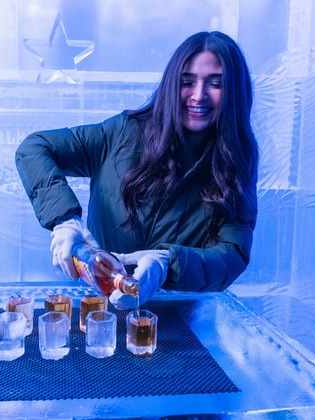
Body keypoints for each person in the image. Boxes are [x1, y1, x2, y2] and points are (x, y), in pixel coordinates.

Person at [15, 31, 259, 309]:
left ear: (235, 92)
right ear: (171, 84)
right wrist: (65, 220)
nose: (198, 95)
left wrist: (167, 263)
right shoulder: (122, 133)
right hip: (98, 307)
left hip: (174, 318)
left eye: (216, 83)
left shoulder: (236, 162)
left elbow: (233, 254)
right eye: (187, 82)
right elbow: (34, 148)